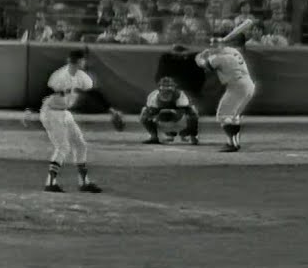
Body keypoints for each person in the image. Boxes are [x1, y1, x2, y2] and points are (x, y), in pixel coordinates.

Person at [36, 49, 124, 193]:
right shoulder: (59, 76)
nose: (84, 62)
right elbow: (43, 93)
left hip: (65, 113)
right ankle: (50, 183)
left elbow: (95, 93)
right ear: (78, 61)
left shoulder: (81, 76)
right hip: (51, 114)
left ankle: (84, 182)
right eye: (83, 60)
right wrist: (31, 109)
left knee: (81, 145)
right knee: (63, 147)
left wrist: (111, 109)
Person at [195, 37, 256, 152]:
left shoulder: (218, 58)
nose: (213, 47)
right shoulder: (233, 51)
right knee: (233, 116)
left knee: (223, 115)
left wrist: (199, 57)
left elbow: (204, 65)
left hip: (237, 86)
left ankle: (231, 144)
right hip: (248, 84)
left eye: (215, 45)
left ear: (221, 45)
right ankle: (235, 143)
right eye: (211, 44)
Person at [140, 77, 199, 145]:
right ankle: (155, 136)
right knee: (144, 111)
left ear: (174, 88)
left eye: (168, 87)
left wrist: (189, 129)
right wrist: (156, 116)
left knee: (193, 111)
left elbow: (191, 113)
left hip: (179, 122)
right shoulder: (153, 96)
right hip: (161, 123)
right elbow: (148, 115)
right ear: (159, 88)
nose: (166, 90)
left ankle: (191, 136)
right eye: (164, 87)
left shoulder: (181, 96)